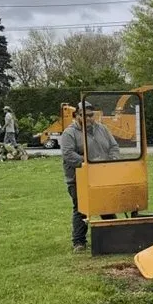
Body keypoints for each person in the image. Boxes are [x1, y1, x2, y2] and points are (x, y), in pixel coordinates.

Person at [61, 102, 120, 252]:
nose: (88, 118)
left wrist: (112, 160)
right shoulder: (69, 133)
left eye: (90, 115)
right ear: (77, 116)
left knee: (106, 205)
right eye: (84, 115)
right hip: (78, 178)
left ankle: (116, 236)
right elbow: (68, 155)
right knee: (81, 208)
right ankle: (79, 242)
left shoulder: (102, 129)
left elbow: (114, 146)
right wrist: (89, 163)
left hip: (102, 175)